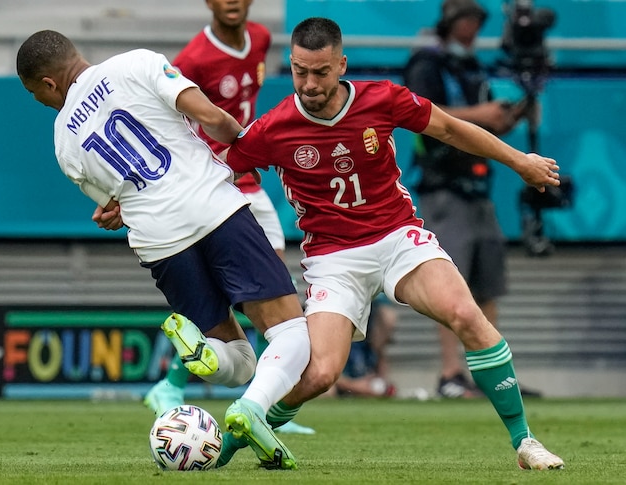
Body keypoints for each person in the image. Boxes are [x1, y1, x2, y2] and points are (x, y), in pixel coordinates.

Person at [221, 17, 564, 470]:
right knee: (321, 374)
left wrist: (520, 161)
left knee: (467, 315)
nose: (309, 83)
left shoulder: (382, 98)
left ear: (341, 65)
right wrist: (129, 202)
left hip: (397, 237)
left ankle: (525, 441)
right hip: (332, 259)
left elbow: (448, 128)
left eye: (320, 72)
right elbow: (215, 170)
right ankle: (229, 444)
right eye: (300, 71)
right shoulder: (274, 128)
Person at [16, 29, 309, 470]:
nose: (38, 101)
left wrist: (114, 211)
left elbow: (112, 204)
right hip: (215, 209)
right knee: (291, 334)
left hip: (159, 243)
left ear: (48, 84)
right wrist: (245, 142)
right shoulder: (136, 63)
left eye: (33, 92)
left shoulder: (63, 141)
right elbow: (209, 116)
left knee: (240, 360)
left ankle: (209, 355)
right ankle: (252, 409)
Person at [140, 0, 314, 435]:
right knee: (253, 293)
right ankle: (176, 386)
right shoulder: (192, 59)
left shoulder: (260, 39)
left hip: (247, 179)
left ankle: (259, 395)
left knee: (270, 289)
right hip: (212, 187)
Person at [401, 0, 542, 400]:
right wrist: (483, 113)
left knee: (486, 283)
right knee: (450, 284)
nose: (471, 27)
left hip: (478, 186)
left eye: (476, 20)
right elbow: (420, 113)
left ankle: (494, 376)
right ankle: (450, 376)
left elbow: (483, 122)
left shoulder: (472, 65)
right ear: (448, 23)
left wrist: (516, 113)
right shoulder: (426, 62)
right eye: (464, 20)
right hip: (442, 186)